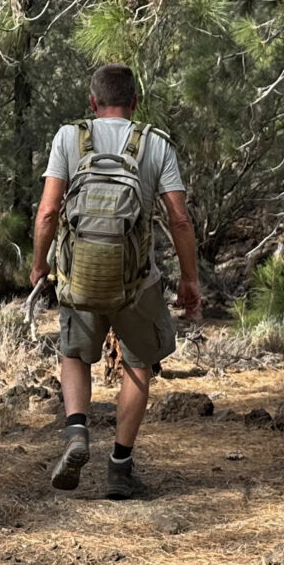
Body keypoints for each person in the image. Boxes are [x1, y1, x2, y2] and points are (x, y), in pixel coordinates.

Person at [29, 63, 202, 500]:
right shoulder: (155, 144)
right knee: (138, 364)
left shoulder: (69, 137)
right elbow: (179, 219)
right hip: (137, 282)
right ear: (134, 102)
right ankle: (120, 468)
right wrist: (189, 279)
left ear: (92, 102)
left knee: (74, 354)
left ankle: (76, 433)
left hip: (79, 278)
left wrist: (40, 265)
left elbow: (48, 212)